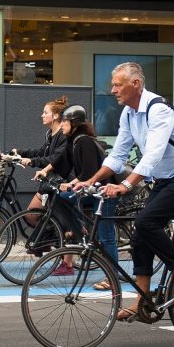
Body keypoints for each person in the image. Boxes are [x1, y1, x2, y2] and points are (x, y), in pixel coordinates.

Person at [77, 62, 174, 321]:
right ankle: (142, 300)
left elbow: (152, 156)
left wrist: (125, 185)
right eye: (112, 85)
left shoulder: (158, 110)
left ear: (135, 84)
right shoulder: (128, 113)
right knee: (139, 235)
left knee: (146, 222)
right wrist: (90, 180)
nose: (113, 90)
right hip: (165, 179)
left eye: (117, 84)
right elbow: (117, 155)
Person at [57, 105, 119, 288]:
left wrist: (72, 183)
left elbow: (90, 172)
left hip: (104, 192)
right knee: (63, 198)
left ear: (74, 123)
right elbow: (65, 165)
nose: (61, 125)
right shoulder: (73, 141)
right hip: (91, 190)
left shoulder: (85, 141)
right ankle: (82, 229)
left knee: (107, 236)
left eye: (64, 122)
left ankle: (112, 278)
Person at [15, 96, 71, 182]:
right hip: (52, 177)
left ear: (55, 116)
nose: (42, 115)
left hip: (63, 180)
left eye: (45, 113)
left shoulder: (63, 135)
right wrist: (19, 152)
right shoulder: (50, 134)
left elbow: (55, 159)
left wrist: (31, 161)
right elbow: (41, 152)